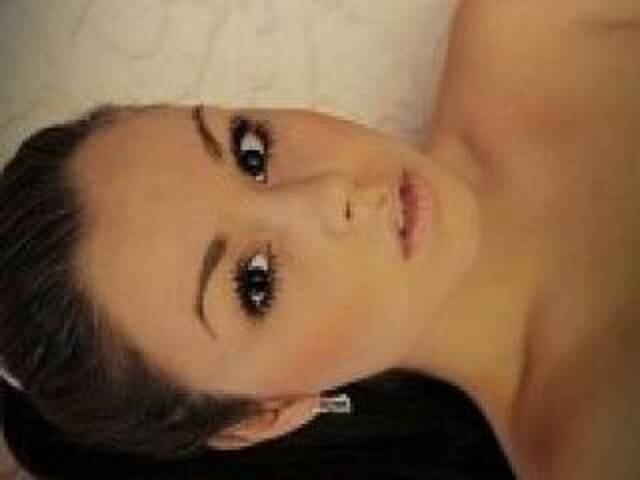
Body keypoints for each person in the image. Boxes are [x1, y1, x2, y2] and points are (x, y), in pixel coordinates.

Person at [1, 1, 639, 478]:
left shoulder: (531, 27)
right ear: (267, 415)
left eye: (251, 153)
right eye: (256, 283)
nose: (328, 195)